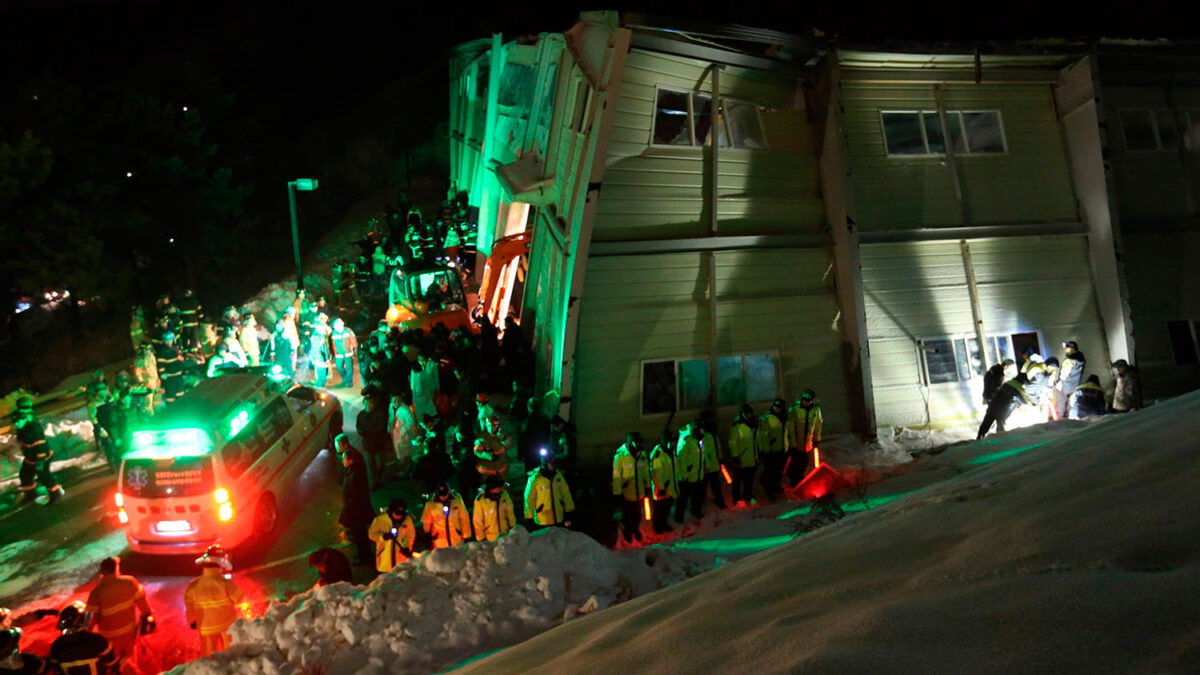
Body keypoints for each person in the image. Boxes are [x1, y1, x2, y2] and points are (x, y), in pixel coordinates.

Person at [83, 556, 153, 664]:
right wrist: (147, 615)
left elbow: (90, 621)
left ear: (102, 572)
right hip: (130, 634)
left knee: (114, 664)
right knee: (130, 662)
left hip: (109, 639)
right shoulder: (130, 582)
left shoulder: (96, 592)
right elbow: (143, 605)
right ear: (116, 568)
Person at [184, 545, 244, 657]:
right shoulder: (225, 583)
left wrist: (191, 621)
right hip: (227, 624)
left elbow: (189, 607)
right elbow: (239, 598)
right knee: (231, 650)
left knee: (208, 653)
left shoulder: (193, 585)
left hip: (205, 627)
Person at [13, 396, 64, 506]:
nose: (16, 423)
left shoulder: (34, 429)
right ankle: (30, 495)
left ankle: (56, 494)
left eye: (18, 421)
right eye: (15, 421)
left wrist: (40, 462)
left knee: (44, 476)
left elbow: (40, 446)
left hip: (41, 457)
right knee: (25, 475)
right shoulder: (22, 427)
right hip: (30, 457)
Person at [335, 435, 375, 566]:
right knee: (359, 533)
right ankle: (363, 553)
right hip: (354, 508)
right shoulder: (352, 467)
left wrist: (350, 506)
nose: (342, 461)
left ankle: (364, 556)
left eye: (344, 459)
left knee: (360, 534)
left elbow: (355, 492)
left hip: (356, 509)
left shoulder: (355, 473)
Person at [48, 601, 119, 675]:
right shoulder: (97, 640)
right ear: (82, 620)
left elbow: (57, 671)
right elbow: (112, 664)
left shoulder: (56, 646)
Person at [612, 432, 651, 543]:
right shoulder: (620, 456)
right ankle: (628, 531)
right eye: (637, 441)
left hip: (640, 490)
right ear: (631, 442)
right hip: (627, 491)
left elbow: (645, 471)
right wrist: (617, 492)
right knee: (628, 513)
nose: (639, 444)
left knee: (637, 513)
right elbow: (616, 476)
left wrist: (647, 485)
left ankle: (635, 529)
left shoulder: (642, 454)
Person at [524, 450, 574, 529]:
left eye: (555, 463)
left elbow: (566, 494)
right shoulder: (535, 478)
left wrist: (569, 511)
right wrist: (529, 517)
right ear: (545, 464)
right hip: (543, 520)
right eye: (551, 464)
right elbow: (529, 499)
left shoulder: (558, 476)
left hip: (558, 517)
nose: (554, 466)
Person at [976, 372, 1032, 439]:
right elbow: (1026, 401)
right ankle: (1000, 442)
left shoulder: (1008, 383)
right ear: (1022, 381)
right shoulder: (1018, 388)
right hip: (1002, 410)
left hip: (993, 405)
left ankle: (979, 437)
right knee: (1000, 428)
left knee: (986, 422)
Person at [785, 389, 823, 485]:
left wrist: (816, 439)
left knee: (804, 462)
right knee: (796, 462)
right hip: (797, 443)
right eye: (804, 399)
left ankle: (799, 477)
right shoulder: (795, 410)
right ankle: (794, 480)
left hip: (808, 443)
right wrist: (792, 443)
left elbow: (818, 426)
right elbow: (790, 427)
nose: (806, 401)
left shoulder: (815, 410)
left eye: (808, 399)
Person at [368, 498, 416, 574]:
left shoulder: (407, 520)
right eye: (396, 514)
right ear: (391, 510)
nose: (398, 516)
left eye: (400, 514)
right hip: (385, 560)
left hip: (401, 559)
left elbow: (411, 535)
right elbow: (371, 534)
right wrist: (383, 537)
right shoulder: (380, 520)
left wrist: (407, 547)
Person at [421, 483, 472, 549]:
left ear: (449, 492)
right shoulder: (430, 504)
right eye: (441, 495)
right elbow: (427, 522)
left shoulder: (457, 500)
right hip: (439, 541)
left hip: (456, 539)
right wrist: (427, 538)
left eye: (445, 494)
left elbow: (464, 518)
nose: (443, 497)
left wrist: (466, 535)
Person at [357, 394, 391, 489]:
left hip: (379, 443)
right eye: (366, 404)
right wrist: (361, 432)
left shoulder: (380, 415)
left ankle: (379, 476)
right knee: (370, 465)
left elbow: (381, 428)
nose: (369, 406)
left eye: (370, 404)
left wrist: (368, 433)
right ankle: (374, 481)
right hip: (368, 445)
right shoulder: (361, 415)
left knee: (381, 462)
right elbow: (358, 426)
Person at [755, 399, 787, 500]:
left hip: (781, 448)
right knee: (770, 470)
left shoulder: (785, 417)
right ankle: (768, 489)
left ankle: (776, 485)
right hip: (771, 451)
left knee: (779, 469)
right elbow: (763, 436)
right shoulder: (767, 419)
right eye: (776, 407)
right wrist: (766, 450)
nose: (777, 409)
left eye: (779, 407)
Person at [673, 421, 705, 522]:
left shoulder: (699, 440)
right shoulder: (686, 441)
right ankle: (679, 516)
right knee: (683, 497)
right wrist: (685, 474)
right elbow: (681, 459)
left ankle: (696, 510)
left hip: (698, 473)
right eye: (701, 429)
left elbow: (701, 454)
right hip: (687, 476)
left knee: (697, 495)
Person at [727, 405, 757, 505]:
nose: (750, 415)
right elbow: (732, 443)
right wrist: (735, 456)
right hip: (741, 458)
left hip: (750, 457)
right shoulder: (737, 427)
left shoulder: (752, 425)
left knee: (749, 479)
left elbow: (754, 441)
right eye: (748, 413)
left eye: (750, 413)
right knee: (737, 480)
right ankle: (736, 497)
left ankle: (747, 494)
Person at [648, 434, 677, 534]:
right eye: (671, 441)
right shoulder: (659, 455)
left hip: (670, 486)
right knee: (659, 509)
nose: (673, 444)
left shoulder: (670, 452)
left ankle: (664, 523)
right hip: (661, 488)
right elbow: (657, 474)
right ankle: (657, 525)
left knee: (666, 507)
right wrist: (661, 488)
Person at [473, 475, 517, 541]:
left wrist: (513, 526)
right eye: (498, 488)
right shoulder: (480, 501)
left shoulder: (504, 495)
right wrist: (481, 538)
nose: (500, 490)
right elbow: (477, 521)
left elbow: (510, 512)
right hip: (490, 537)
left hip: (505, 534)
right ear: (491, 489)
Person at [697, 414, 726, 510]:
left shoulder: (713, 434)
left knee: (716, 485)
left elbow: (717, 447)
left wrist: (720, 457)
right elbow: (701, 451)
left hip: (713, 464)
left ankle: (719, 500)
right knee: (703, 487)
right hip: (706, 466)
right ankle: (700, 503)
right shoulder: (702, 436)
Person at [1056, 341, 1086, 419]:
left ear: (1072, 349)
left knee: (1061, 403)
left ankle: (1061, 420)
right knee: (1072, 404)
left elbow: (1063, 376)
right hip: (1075, 385)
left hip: (1065, 386)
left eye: (1067, 348)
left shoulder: (1068, 361)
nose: (1065, 350)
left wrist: (1058, 382)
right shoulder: (1081, 359)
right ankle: (1071, 420)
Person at [154, 330, 186, 404]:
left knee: (181, 395)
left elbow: (180, 362)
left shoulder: (176, 349)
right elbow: (161, 369)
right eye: (167, 340)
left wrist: (182, 371)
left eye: (170, 339)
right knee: (170, 398)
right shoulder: (162, 352)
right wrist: (165, 380)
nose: (169, 342)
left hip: (178, 377)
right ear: (164, 341)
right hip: (170, 379)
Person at [390, 392, 417, 477]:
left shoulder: (405, 410)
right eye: (393, 401)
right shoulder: (395, 408)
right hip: (399, 436)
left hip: (405, 436)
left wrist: (403, 429)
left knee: (406, 455)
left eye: (397, 401)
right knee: (403, 454)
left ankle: (407, 472)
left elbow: (411, 422)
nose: (395, 403)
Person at [410, 352, 439, 420]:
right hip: (421, 395)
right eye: (419, 359)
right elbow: (412, 382)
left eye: (423, 359)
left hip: (429, 392)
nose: (421, 361)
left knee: (428, 411)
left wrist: (437, 389)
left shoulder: (432, 365)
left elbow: (436, 378)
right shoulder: (416, 369)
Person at [330, 318, 357, 388]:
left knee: (349, 367)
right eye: (337, 323)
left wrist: (354, 349)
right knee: (339, 367)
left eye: (341, 322)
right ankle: (345, 378)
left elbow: (353, 340)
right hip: (339, 354)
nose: (341, 324)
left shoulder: (348, 331)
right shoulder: (334, 333)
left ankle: (349, 381)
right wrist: (334, 353)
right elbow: (333, 344)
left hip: (348, 352)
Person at [176, 288, 203, 353]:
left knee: (188, 339)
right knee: (192, 339)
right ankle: (191, 352)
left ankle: (188, 352)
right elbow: (200, 313)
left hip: (187, 324)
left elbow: (178, 313)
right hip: (192, 324)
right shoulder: (194, 301)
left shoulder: (180, 302)